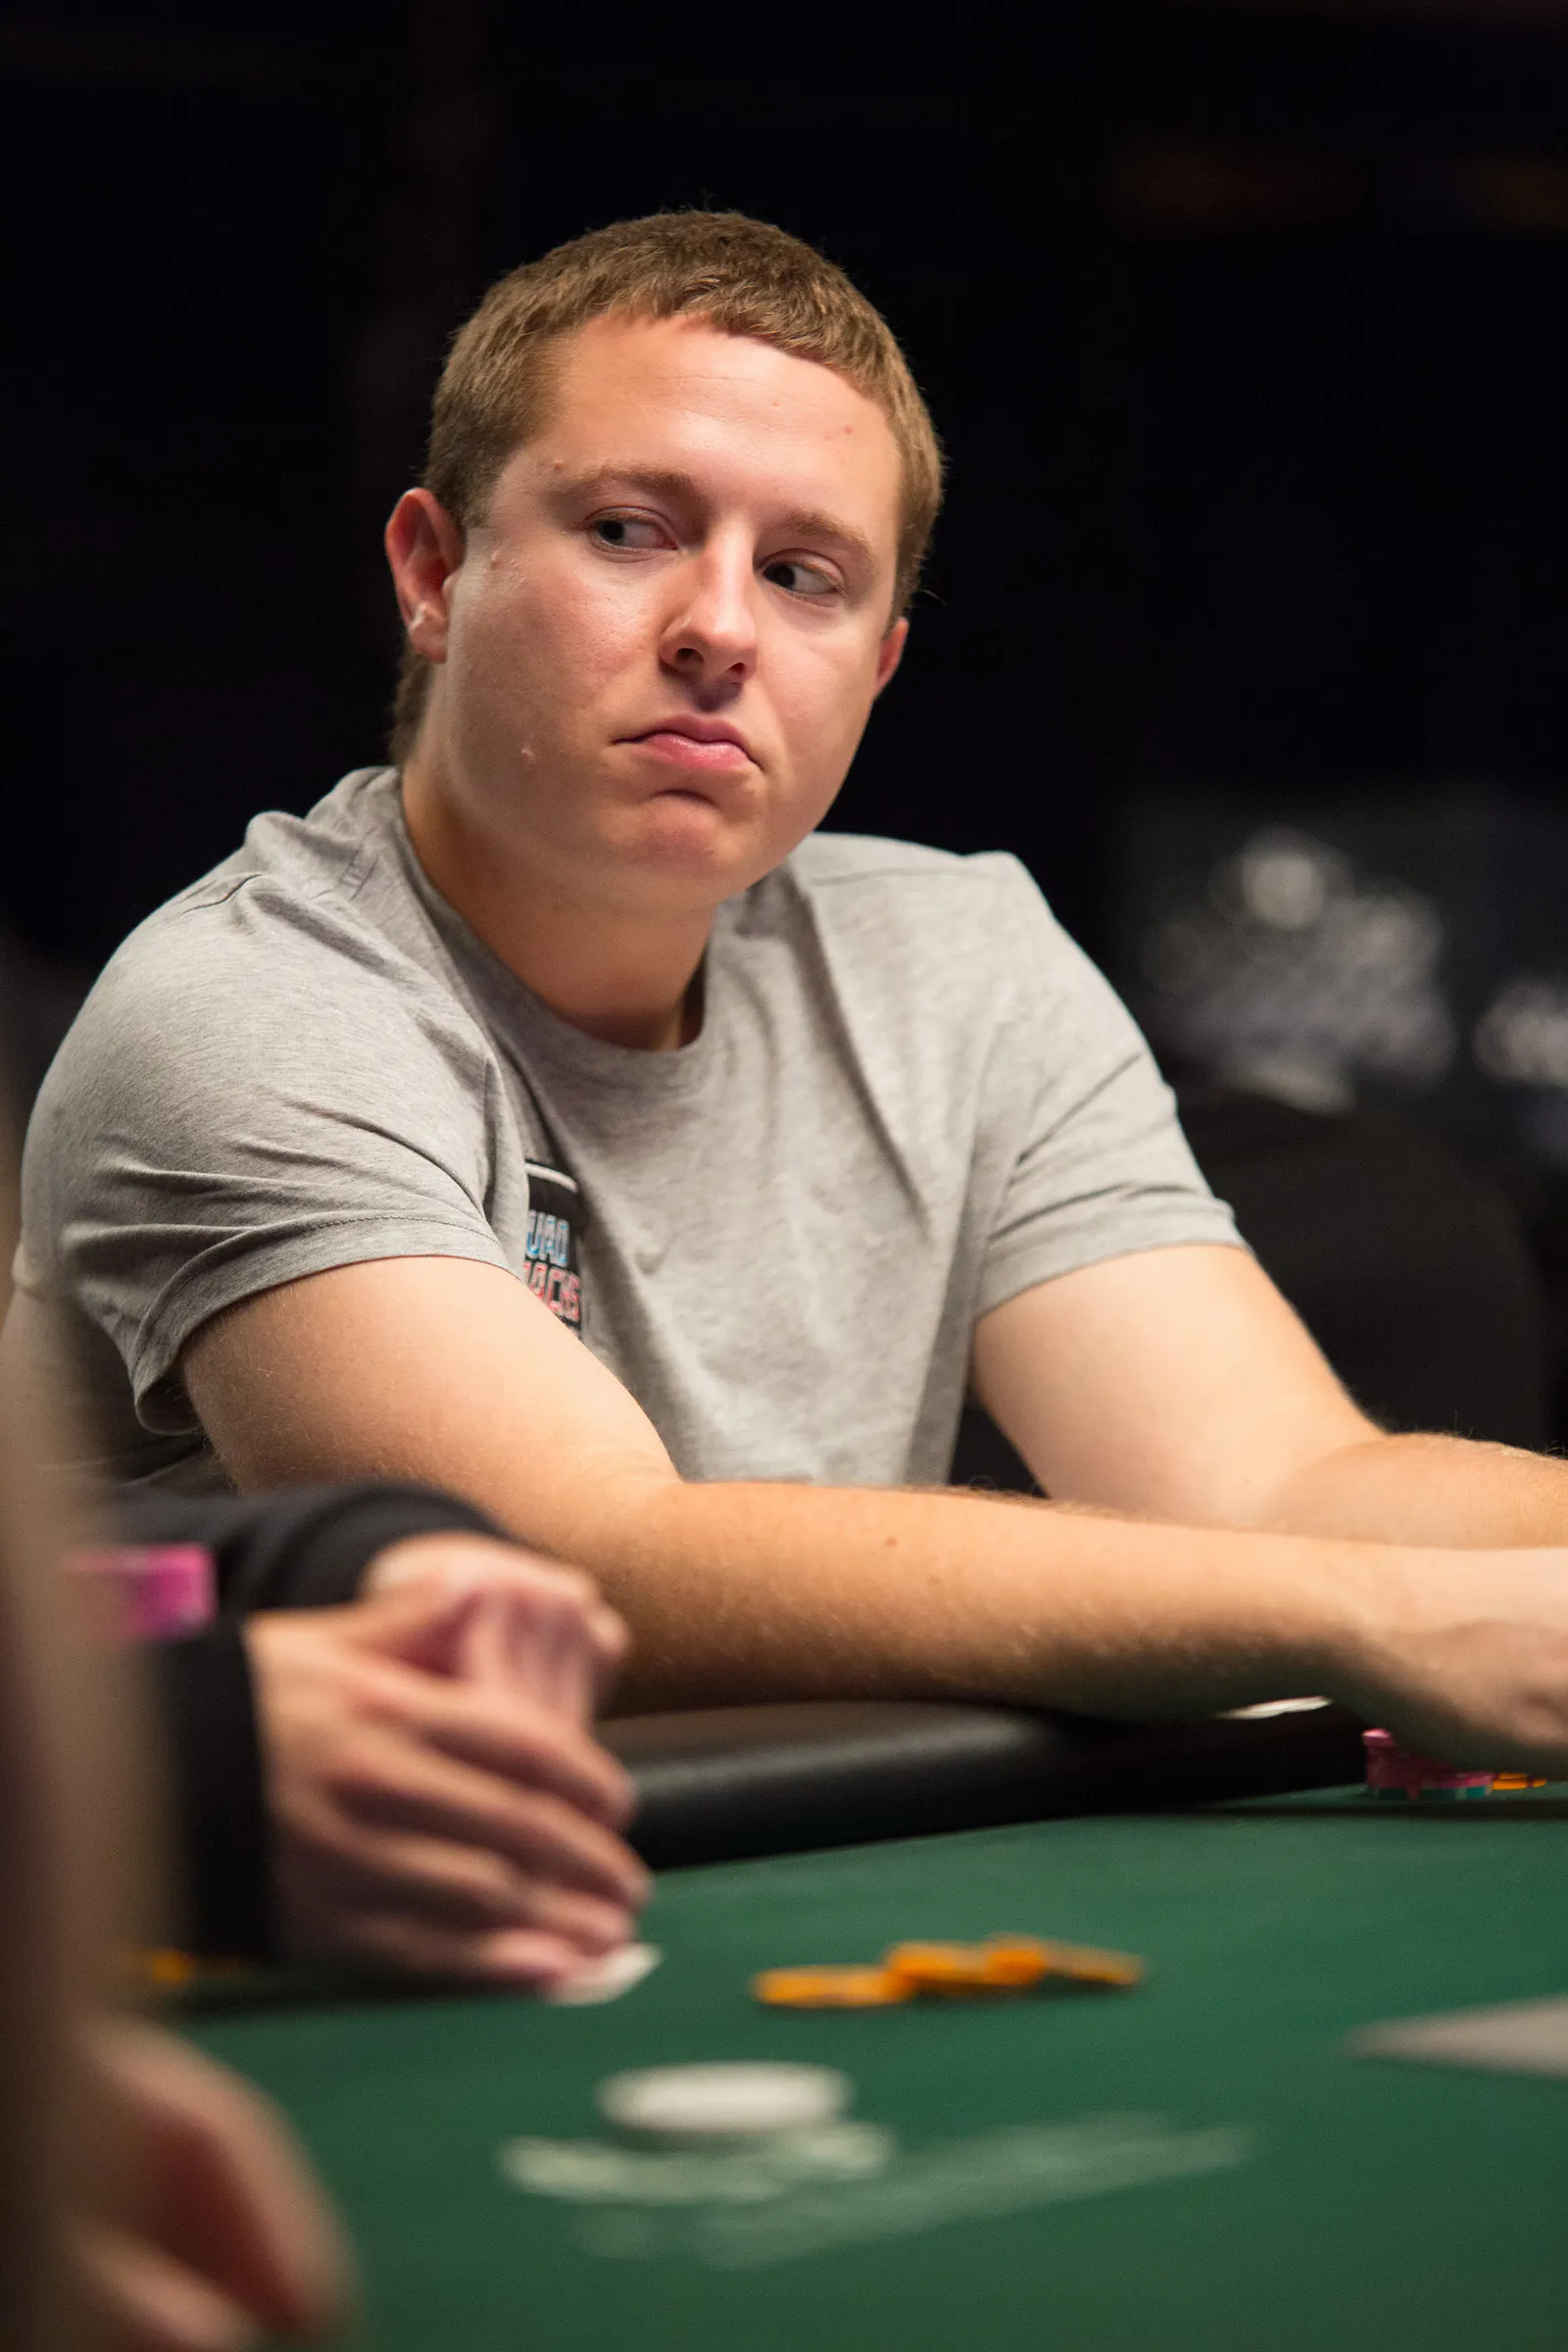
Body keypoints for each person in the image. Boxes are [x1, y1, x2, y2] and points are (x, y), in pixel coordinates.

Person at [12, 210, 1568, 1773]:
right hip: (321, 1908)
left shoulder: (960, 959)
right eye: (629, 529)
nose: (720, 628)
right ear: (435, 571)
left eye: (804, 575)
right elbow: (574, 1566)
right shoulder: (249, 1006)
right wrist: (1378, 1617)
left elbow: (1277, 1485)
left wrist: (1423, 1591)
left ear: (878, 668)